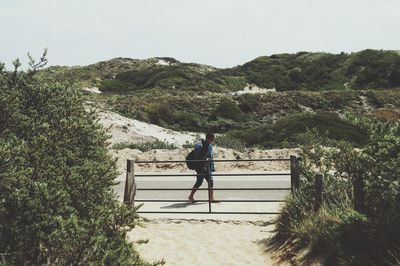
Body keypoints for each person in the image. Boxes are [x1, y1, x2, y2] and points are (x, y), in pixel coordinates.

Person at [188, 133, 216, 203]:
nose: (212, 141)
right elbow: (197, 156)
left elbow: (210, 156)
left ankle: (211, 198)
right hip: (200, 167)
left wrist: (211, 166)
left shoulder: (209, 146)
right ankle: (191, 196)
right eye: (211, 139)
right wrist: (204, 159)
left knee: (210, 182)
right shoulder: (199, 145)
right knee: (199, 182)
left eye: (213, 140)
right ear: (208, 138)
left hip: (207, 166)